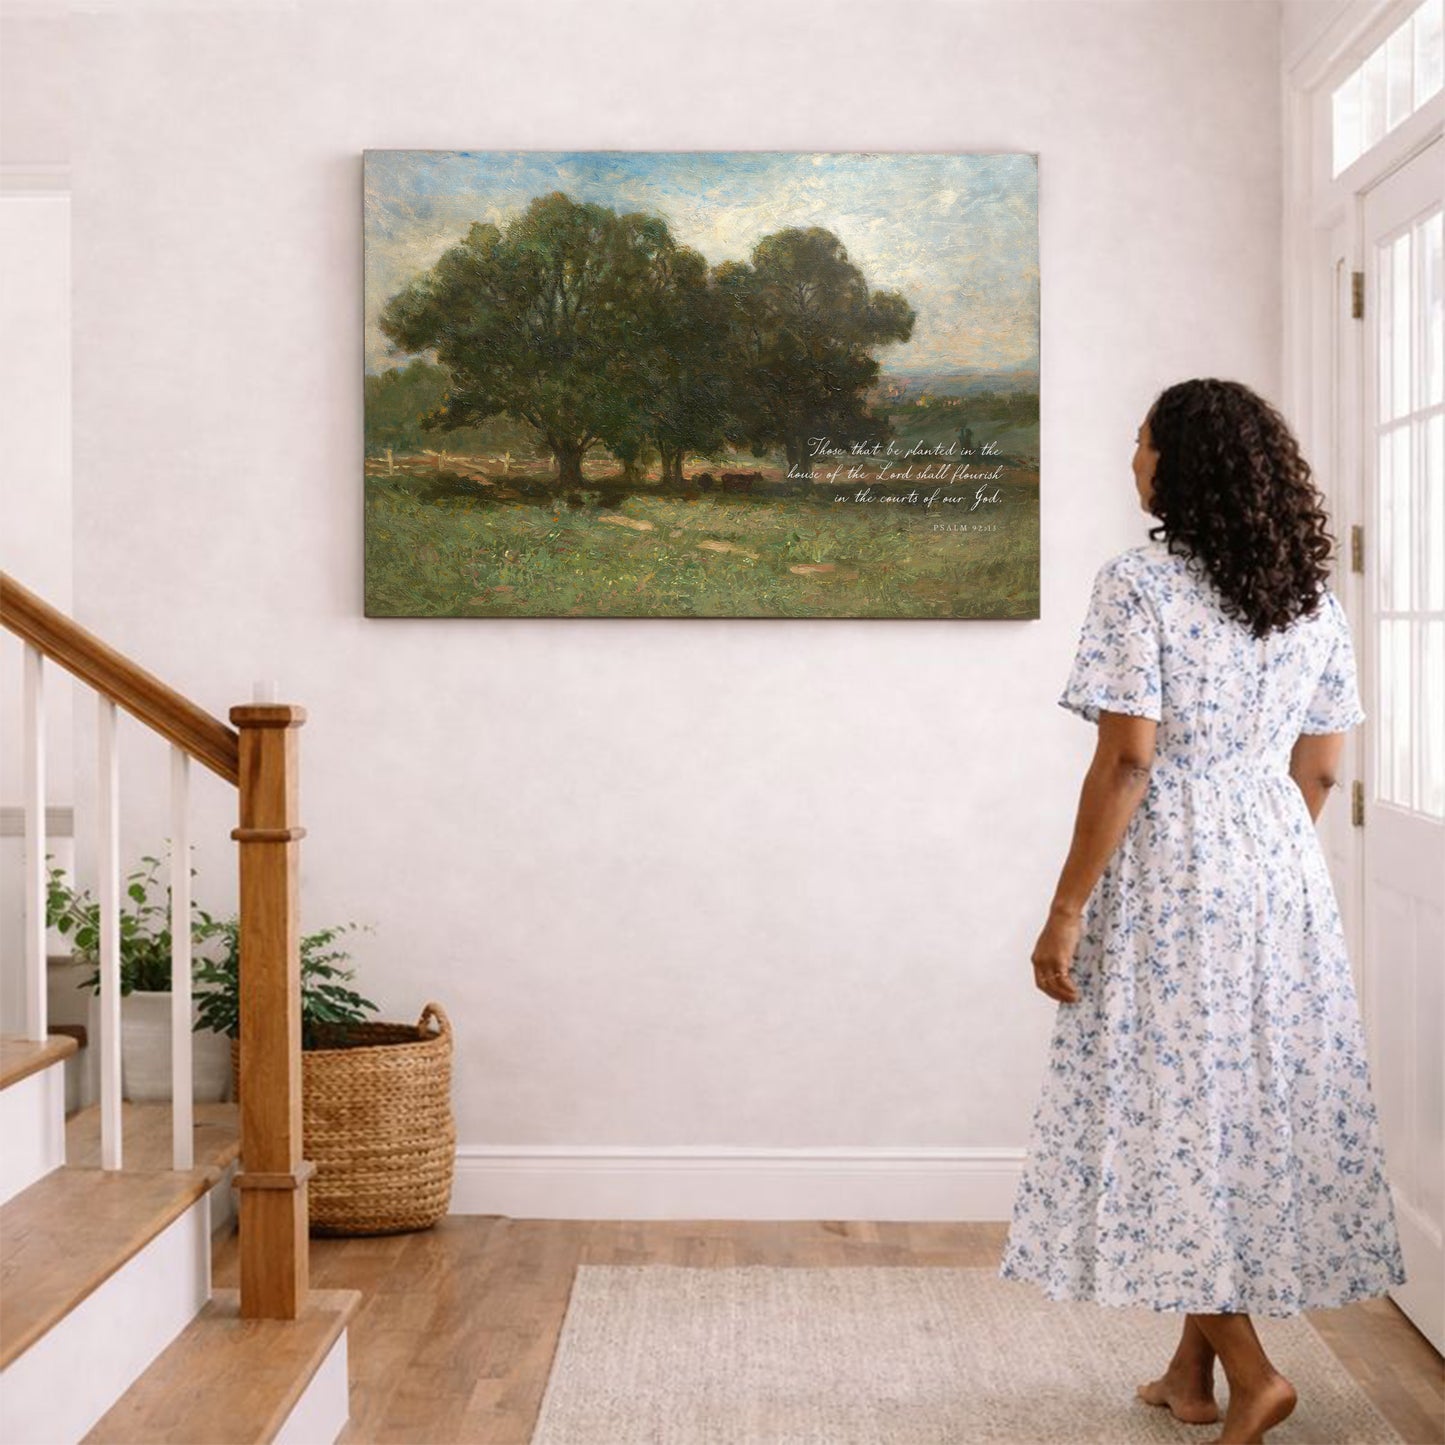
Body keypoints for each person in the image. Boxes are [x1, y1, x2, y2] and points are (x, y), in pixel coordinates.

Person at [997, 378, 1407, 1445]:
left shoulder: (1136, 583)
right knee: (1221, 1111)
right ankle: (1190, 1372)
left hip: (1169, 866)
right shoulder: (1309, 594)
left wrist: (1064, 906)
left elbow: (1128, 758)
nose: (1130, 457)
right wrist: (1263, 857)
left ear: (1178, 464)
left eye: (1139, 441)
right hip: (1277, 865)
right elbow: (1318, 767)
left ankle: (1255, 1371)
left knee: (1162, 1111)